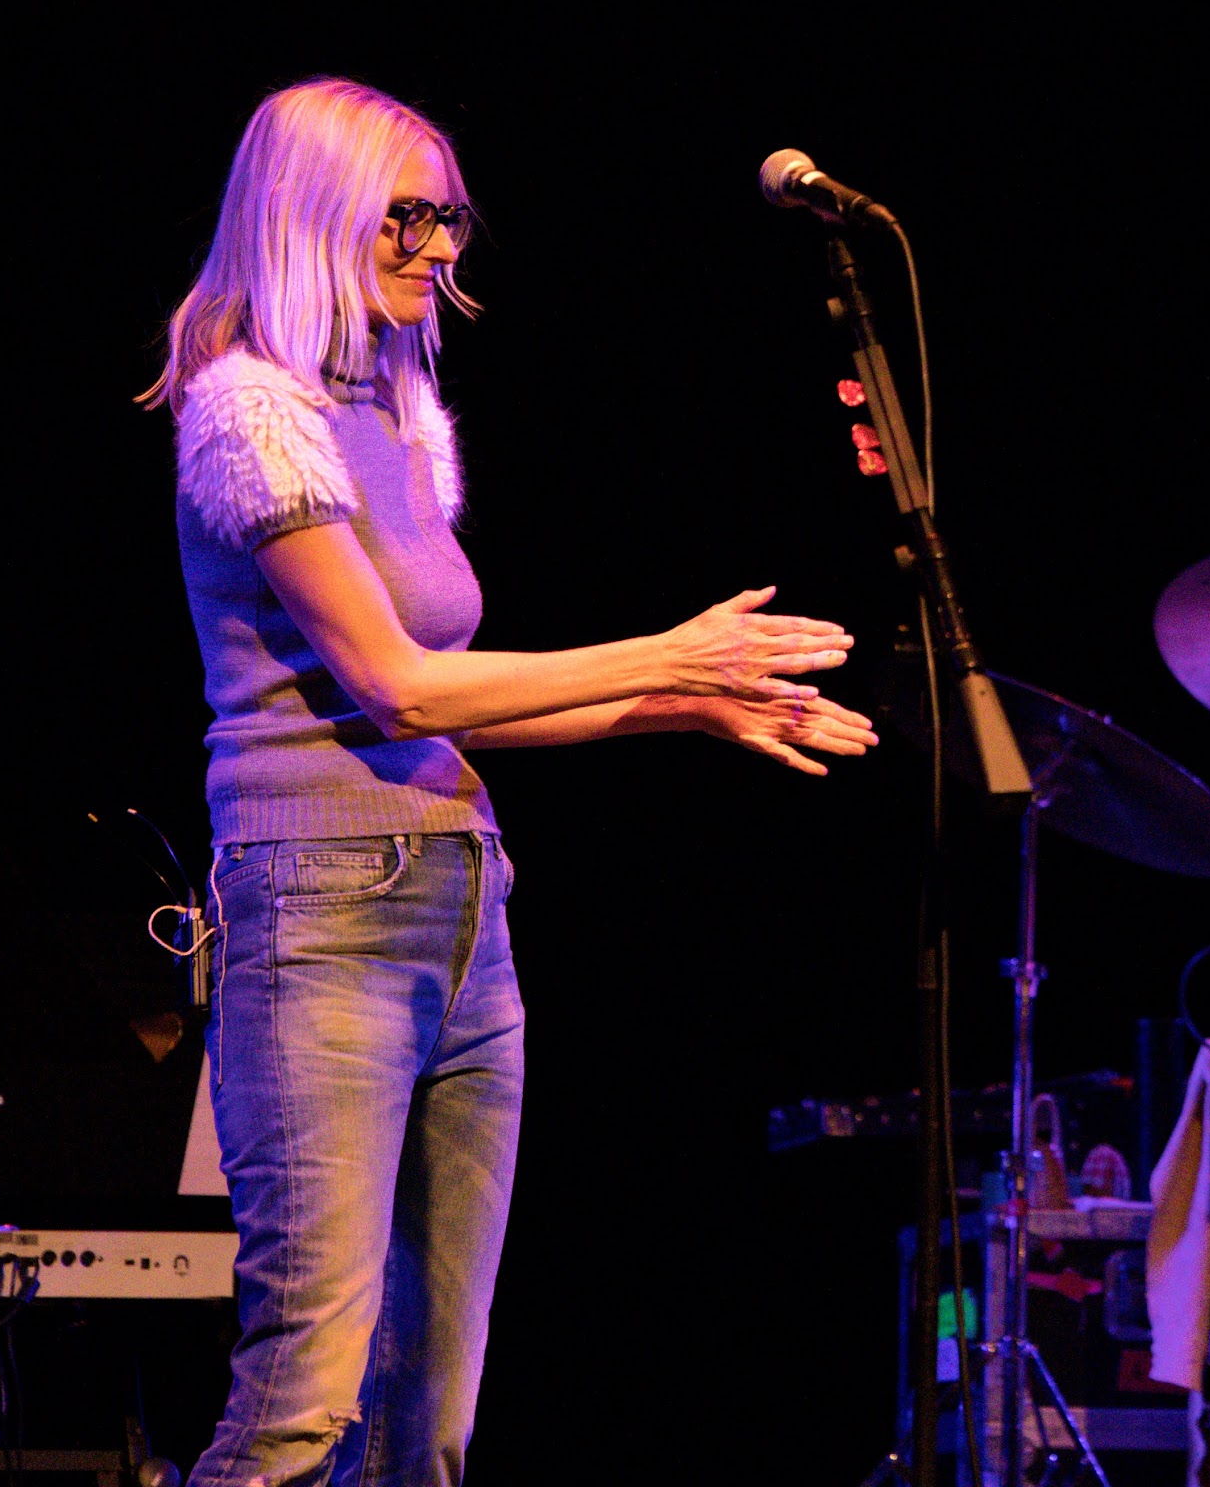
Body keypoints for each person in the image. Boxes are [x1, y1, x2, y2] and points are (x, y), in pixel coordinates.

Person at [145, 77, 878, 1486]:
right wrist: (670, 648)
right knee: (304, 1405)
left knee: (432, 1425)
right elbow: (399, 687)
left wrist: (685, 706)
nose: (441, 247)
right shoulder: (250, 412)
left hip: (465, 909)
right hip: (325, 918)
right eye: (406, 216)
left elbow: (441, 726)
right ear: (312, 215)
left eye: (453, 218)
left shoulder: (399, 413)